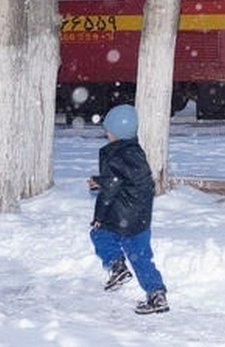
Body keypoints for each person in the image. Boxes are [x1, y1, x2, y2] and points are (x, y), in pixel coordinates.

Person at [87, 103, 169, 315]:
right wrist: (101, 181)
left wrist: (99, 216)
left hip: (120, 215)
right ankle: (156, 293)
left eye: (108, 129)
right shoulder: (136, 152)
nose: (106, 133)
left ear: (113, 132)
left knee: (99, 234)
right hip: (141, 217)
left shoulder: (113, 155)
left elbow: (111, 189)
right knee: (141, 257)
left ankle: (117, 266)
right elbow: (128, 180)